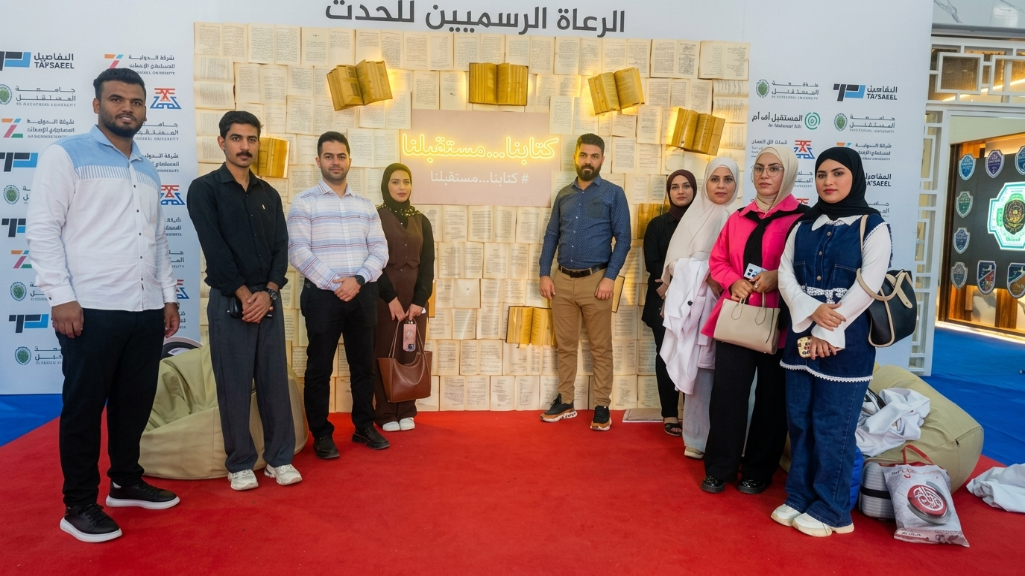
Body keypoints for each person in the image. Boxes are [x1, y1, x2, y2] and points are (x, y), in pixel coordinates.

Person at [26, 68, 181, 543]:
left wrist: (168, 297)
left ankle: (125, 482)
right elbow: (43, 229)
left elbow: (157, 240)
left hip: (145, 308)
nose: (126, 108)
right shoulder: (65, 155)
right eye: (116, 99)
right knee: (84, 408)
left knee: (134, 404)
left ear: (145, 110)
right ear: (97, 105)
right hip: (90, 308)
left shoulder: (147, 168)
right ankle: (78, 505)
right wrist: (61, 297)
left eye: (135, 101)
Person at [772, 147, 890, 537]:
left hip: (847, 343)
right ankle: (799, 497)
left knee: (833, 427)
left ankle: (832, 510)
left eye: (838, 173)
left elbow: (869, 285)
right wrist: (812, 312)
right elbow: (785, 275)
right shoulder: (803, 224)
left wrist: (827, 328)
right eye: (822, 174)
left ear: (854, 176)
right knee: (801, 422)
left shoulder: (873, 225)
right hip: (801, 338)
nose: (828, 181)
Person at [187, 111, 301, 490]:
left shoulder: (269, 194)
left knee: (274, 383)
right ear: (222, 142)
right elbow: (215, 249)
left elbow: (281, 248)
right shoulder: (204, 190)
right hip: (229, 301)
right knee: (234, 384)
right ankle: (239, 463)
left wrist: (269, 293)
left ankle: (279, 458)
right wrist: (244, 294)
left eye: (251, 139)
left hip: (268, 300)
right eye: (236, 138)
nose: (244, 146)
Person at [700, 145, 806, 495]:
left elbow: (808, 267)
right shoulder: (738, 218)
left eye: (774, 168)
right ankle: (720, 467)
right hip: (738, 317)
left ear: (787, 174)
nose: (764, 175)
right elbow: (717, 260)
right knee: (727, 396)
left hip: (780, 324)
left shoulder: (803, 220)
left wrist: (778, 277)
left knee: (772, 400)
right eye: (759, 168)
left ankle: (758, 470)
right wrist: (733, 281)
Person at [288, 131, 389, 456]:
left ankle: (364, 426)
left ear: (349, 161)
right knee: (319, 368)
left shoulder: (365, 206)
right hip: (322, 296)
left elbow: (380, 250)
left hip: (362, 292)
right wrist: (336, 283)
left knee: (364, 366)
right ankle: (321, 433)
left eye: (341, 156)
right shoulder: (304, 202)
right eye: (329, 156)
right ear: (318, 161)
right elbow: (298, 251)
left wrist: (357, 280)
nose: (335, 162)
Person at [538, 133, 632, 431]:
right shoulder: (564, 194)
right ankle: (566, 400)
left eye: (594, 156)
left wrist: (609, 278)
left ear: (602, 160)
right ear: (575, 157)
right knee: (565, 346)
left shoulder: (613, 194)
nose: (588, 161)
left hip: (597, 282)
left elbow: (624, 239)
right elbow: (551, 235)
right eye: (583, 155)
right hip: (562, 282)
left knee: (600, 348)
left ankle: (602, 405)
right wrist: (544, 273)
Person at [659, 158, 740, 458]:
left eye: (728, 179)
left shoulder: (743, 216)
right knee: (700, 373)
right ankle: (697, 439)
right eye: (715, 179)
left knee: (735, 375)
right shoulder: (692, 218)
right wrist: (704, 272)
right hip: (698, 308)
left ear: (737, 183)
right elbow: (672, 263)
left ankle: (735, 442)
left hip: (735, 305)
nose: (721, 185)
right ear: (705, 183)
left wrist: (723, 276)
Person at [373, 163, 434, 432]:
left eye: (406, 182)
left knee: (410, 351)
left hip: (414, 298)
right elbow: (373, 262)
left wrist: (419, 300)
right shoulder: (375, 217)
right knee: (384, 351)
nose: (402, 187)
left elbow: (428, 265)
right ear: (386, 185)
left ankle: (407, 409)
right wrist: (390, 298)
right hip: (384, 297)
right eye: (395, 182)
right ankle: (385, 412)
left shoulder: (422, 221)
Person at [641, 170, 696, 436]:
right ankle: (670, 413)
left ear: (695, 189)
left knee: (694, 356)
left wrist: (680, 283)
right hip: (662, 299)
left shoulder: (704, 224)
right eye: (675, 187)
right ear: (669, 192)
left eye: (686, 186)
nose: (681, 191)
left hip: (696, 300)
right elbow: (652, 264)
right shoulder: (657, 225)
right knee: (666, 354)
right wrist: (675, 284)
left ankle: (694, 415)